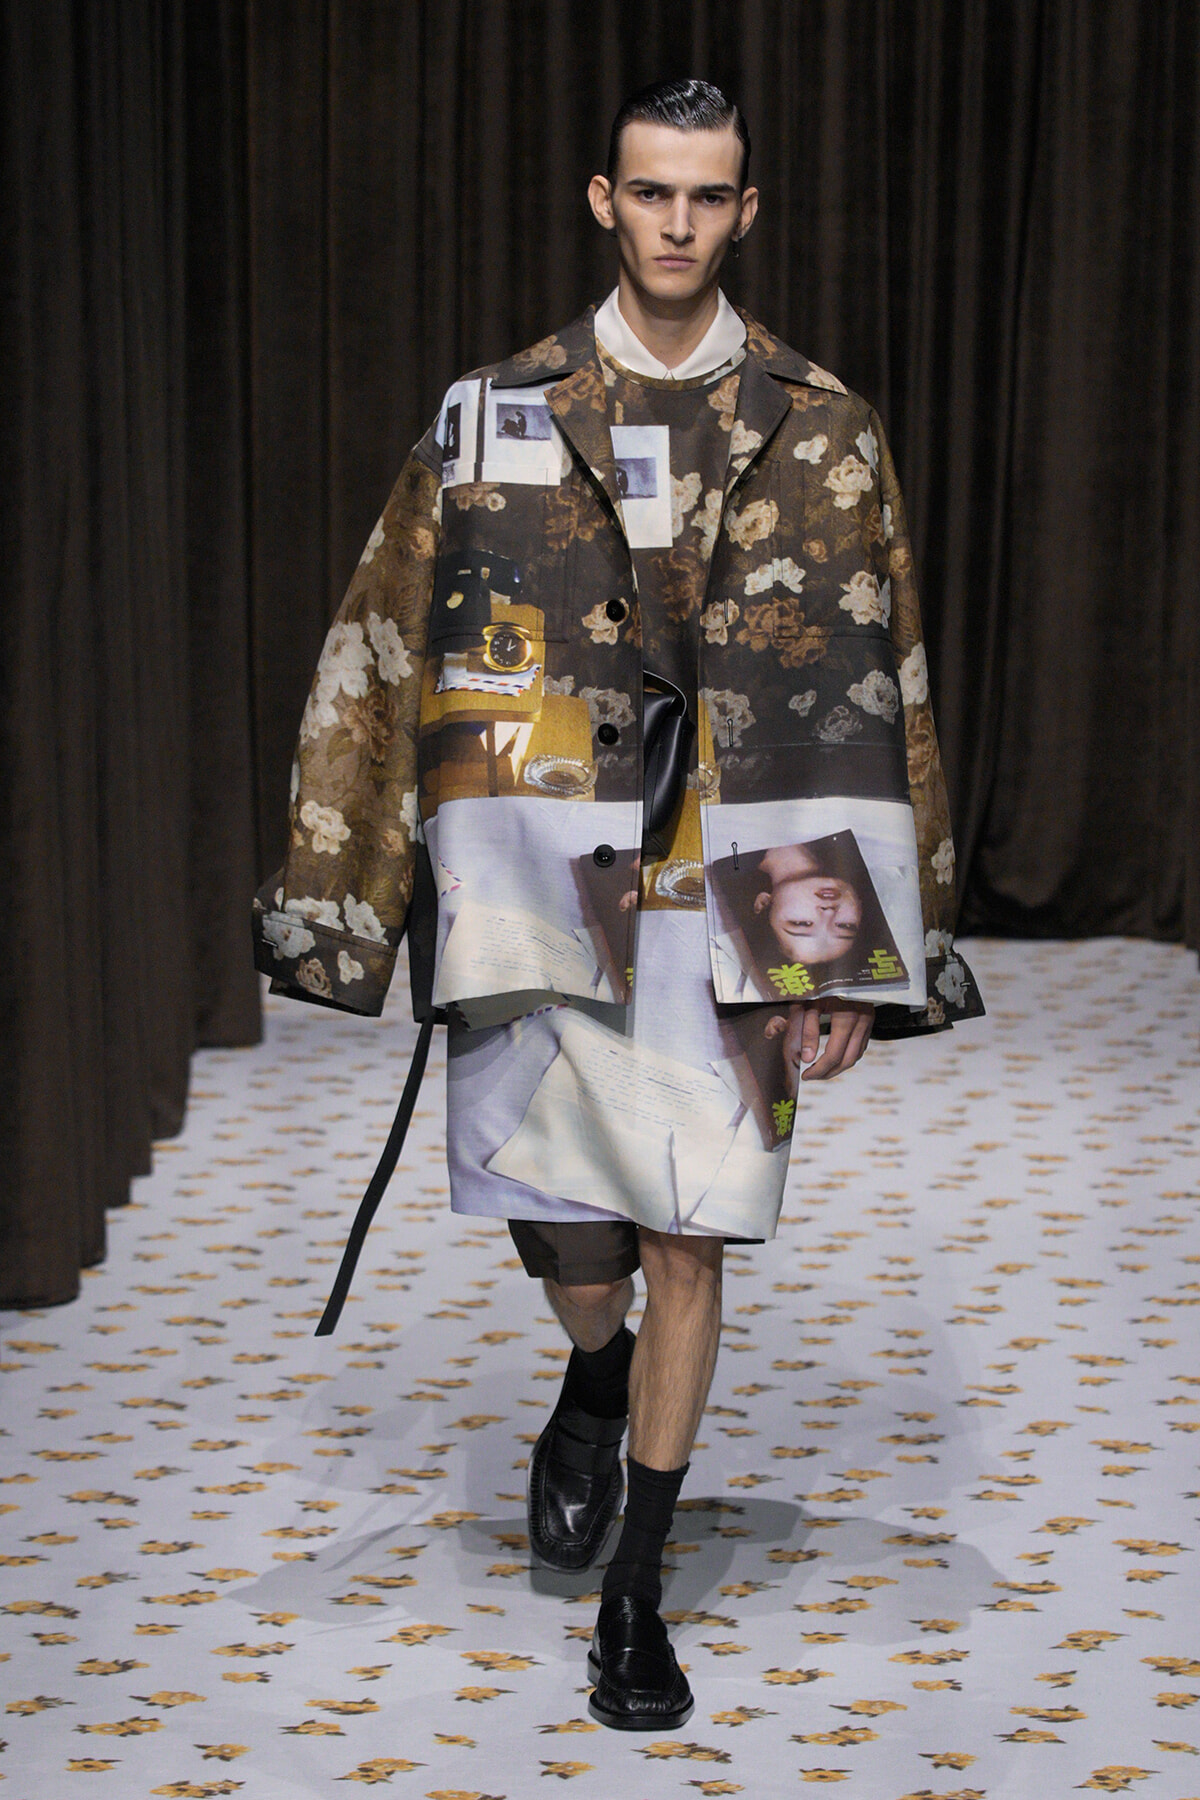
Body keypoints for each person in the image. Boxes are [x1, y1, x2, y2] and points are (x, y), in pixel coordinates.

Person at [253, 78, 983, 1732]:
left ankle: (637, 1597)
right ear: (603, 199)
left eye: (707, 197)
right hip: (535, 863)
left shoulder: (823, 419)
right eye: (650, 193)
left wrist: (854, 951)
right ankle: (592, 1370)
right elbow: (381, 649)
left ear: (745, 211)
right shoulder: (497, 410)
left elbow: (878, 681)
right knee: (568, 1231)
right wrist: (339, 900)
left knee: (691, 1232)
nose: (676, 224)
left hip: (743, 879)